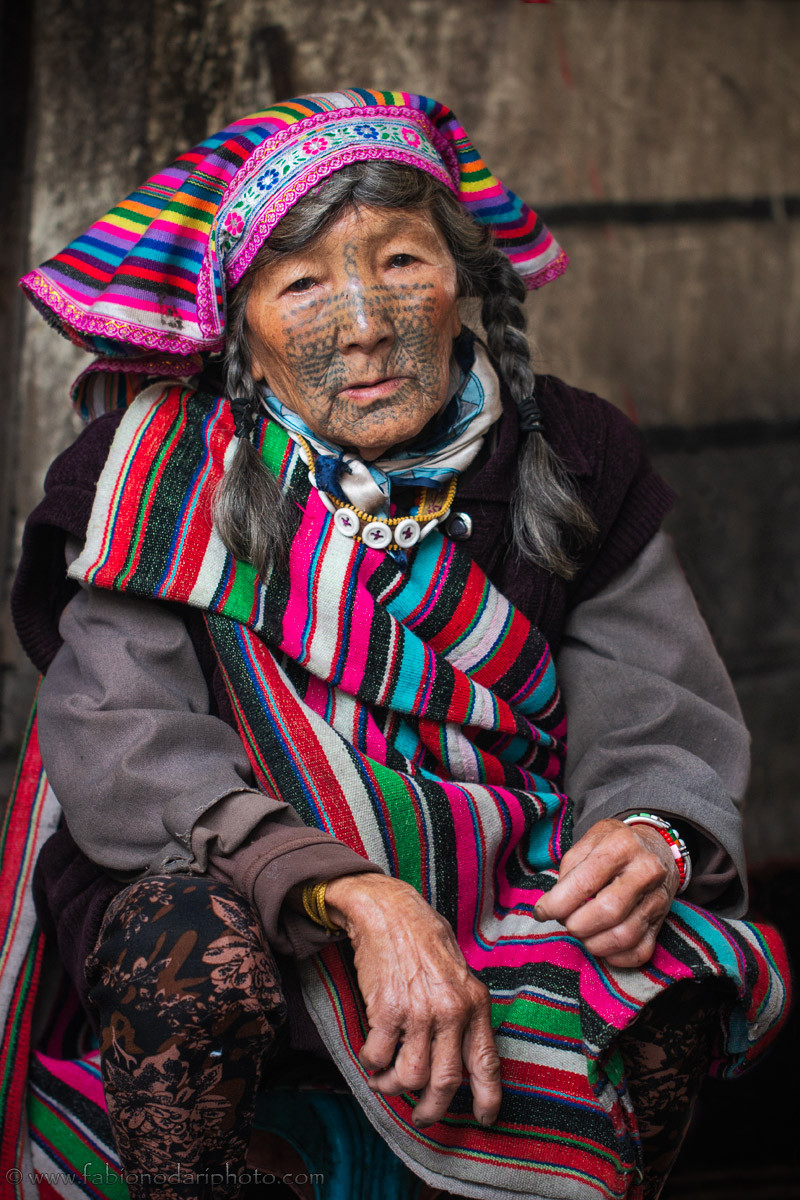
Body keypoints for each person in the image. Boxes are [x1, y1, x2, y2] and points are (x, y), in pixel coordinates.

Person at [7, 89, 788, 1200]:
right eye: (304, 283)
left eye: (402, 264)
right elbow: (122, 742)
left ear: (459, 274)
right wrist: (354, 894)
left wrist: (648, 830)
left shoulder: (568, 450)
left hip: (500, 876)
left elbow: (656, 709)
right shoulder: (152, 475)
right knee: (188, 954)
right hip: (239, 880)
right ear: (241, 325)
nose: (364, 324)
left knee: (669, 968)